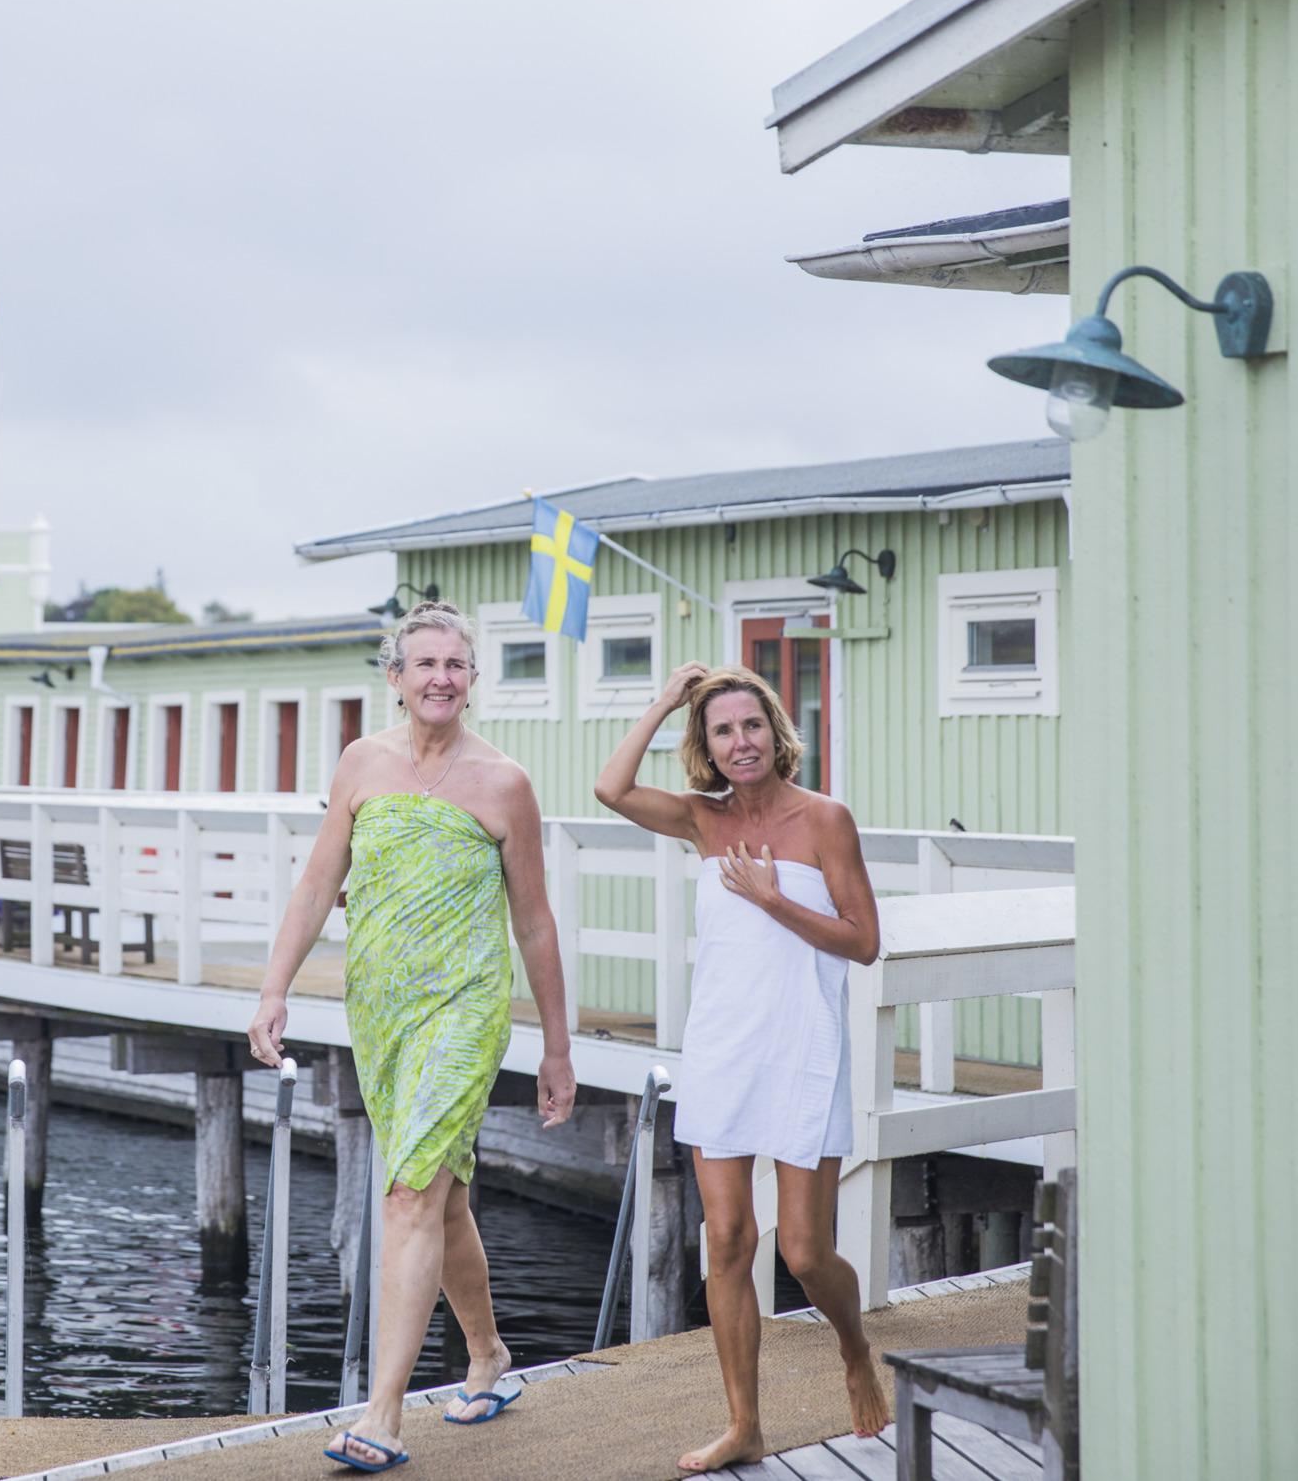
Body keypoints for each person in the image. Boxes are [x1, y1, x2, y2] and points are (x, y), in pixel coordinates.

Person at [246, 602, 576, 1473]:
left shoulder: (505, 783)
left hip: (466, 1010)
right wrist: (274, 988)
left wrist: (556, 1045)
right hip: (380, 1016)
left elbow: (535, 924)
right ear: (394, 676)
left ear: (472, 680)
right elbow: (319, 882)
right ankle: (491, 1354)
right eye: (423, 663)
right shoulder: (362, 762)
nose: (439, 677)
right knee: (440, 1196)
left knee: (405, 1196)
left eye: (455, 665)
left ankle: (383, 1414)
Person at [594, 660, 888, 1473]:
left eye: (751, 724)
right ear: (708, 746)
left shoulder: (826, 818)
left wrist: (773, 899)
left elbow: (865, 941)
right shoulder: (701, 819)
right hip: (722, 1047)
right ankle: (744, 1424)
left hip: (802, 1047)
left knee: (802, 1249)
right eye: (722, 730)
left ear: (775, 730)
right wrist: (663, 699)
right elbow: (610, 789)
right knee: (725, 1237)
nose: (740, 741)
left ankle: (855, 1347)